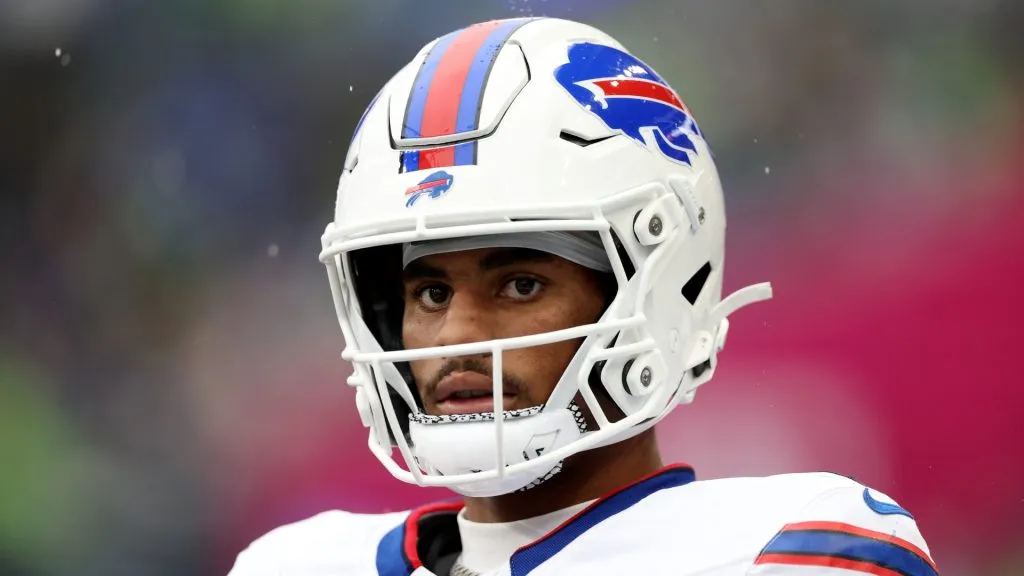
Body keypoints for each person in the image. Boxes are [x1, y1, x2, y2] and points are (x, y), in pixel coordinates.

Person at [228, 16, 938, 576]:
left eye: (519, 284)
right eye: (433, 291)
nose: (456, 336)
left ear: (661, 290)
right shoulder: (294, 564)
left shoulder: (790, 549)